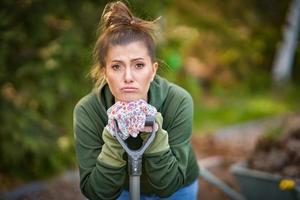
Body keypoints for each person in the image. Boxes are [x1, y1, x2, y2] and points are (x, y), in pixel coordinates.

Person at [73, 1, 199, 199]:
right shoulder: (88, 111)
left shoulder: (178, 101)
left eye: (139, 65)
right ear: (105, 72)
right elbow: (96, 192)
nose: (128, 77)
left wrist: (155, 134)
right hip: (120, 189)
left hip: (177, 187)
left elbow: (169, 185)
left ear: (153, 70)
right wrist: (113, 140)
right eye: (117, 67)